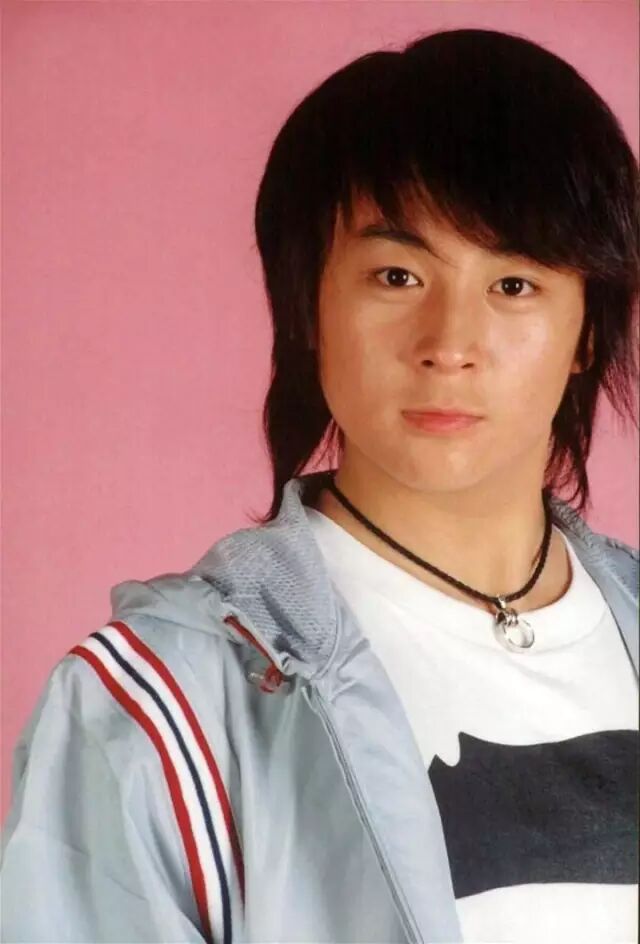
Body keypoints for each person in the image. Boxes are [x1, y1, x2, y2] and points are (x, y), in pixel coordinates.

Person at [1, 26, 638, 944]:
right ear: (307, 306)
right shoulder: (161, 707)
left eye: (513, 285)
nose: (450, 343)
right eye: (397, 274)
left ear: (589, 331)